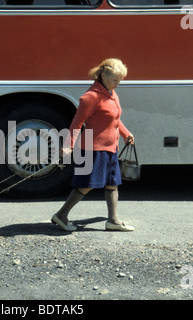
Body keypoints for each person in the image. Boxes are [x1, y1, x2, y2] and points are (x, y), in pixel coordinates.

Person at [51, 58, 135, 232]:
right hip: (93, 149)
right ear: (103, 75)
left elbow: (115, 120)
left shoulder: (112, 94)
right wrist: (68, 145)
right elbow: (77, 122)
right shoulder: (90, 97)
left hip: (111, 148)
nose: (118, 84)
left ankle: (113, 220)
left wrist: (125, 134)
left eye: (120, 80)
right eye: (115, 80)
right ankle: (61, 215)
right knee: (86, 184)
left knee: (112, 183)